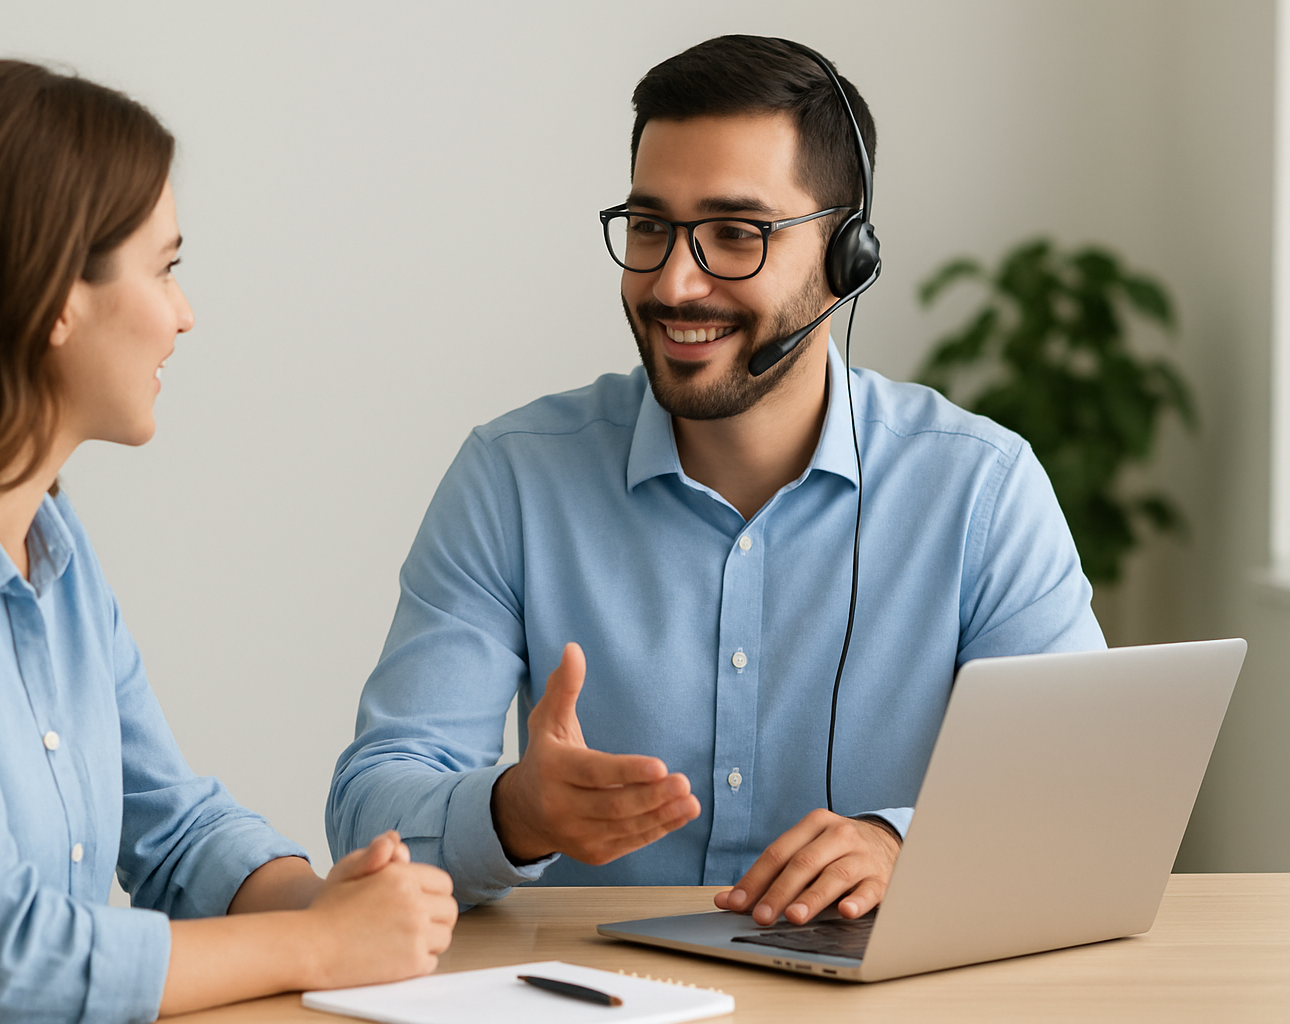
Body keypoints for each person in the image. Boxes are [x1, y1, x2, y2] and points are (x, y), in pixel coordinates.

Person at [327, 35, 1105, 926]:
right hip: (598, 987)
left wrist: (902, 844)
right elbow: (368, 816)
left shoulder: (980, 491)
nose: (675, 283)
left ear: (846, 257)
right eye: (650, 227)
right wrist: (516, 813)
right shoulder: (513, 479)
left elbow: (1084, 800)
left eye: (736, 234)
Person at [0, 60, 455, 1024]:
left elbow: (177, 827)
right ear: (53, 296)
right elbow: (3, 970)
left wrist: (330, 902)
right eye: (165, 269)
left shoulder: (52, 545)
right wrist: (321, 944)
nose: (184, 313)